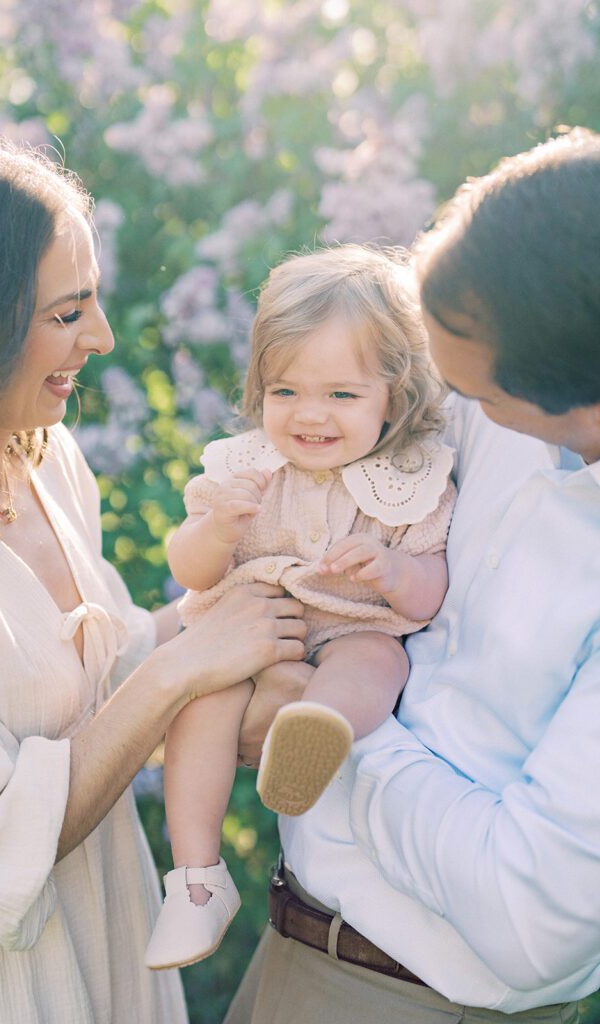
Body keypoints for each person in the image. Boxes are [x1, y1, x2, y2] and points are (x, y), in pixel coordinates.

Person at [0, 135, 308, 1024]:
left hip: (109, 923)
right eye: (66, 313)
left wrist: (254, 605)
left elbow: (112, 672)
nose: (103, 338)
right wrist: (188, 664)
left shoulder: (46, 457)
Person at [224, 126, 600, 1024]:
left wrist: (330, 721)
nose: (441, 397)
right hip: (296, 949)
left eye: (469, 382)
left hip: (422, 1003)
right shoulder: (491, 409)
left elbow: (529, 920)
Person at [145, 246, 456, 972]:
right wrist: (215, 531)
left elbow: (432, 588)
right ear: (260, 388)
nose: (310, 416)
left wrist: (396, 570)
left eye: (343, 396)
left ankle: (318, 730)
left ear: (395, 394)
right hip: (248, 633)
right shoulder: (243, 468)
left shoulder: (408, 482)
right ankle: (196, 879)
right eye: (286, 392)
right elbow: (187, 568)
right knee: (203, 699)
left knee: (376, 660)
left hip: (352, 626)